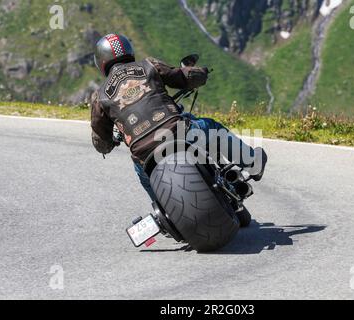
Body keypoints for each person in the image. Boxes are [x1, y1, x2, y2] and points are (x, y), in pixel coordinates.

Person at [90, 33, 267, 226]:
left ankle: (165, 210)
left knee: (143, 174)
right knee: (211, 127)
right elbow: (184, 77)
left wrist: (109, 143)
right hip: (176, 131)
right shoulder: (148, 65)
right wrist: (201, 73)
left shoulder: (99, 96)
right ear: (128, 50)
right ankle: (251, 161)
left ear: (101, 61)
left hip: (143, 152)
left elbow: (100, 141)